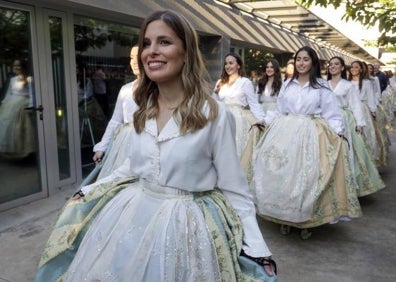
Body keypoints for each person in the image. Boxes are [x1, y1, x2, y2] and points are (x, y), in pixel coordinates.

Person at [36, 10, 277, 282]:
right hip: (132, 217)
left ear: (186, 53)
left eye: (164, 42)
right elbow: (133, 167)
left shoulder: (214, 114)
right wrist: (90, 189)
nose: (151, 51)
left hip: (186, 228)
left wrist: (258, 249)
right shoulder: (143, 108)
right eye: (147, 43)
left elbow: (236, 188)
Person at [252, 46, 361, 239]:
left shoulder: (321, 85)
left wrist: (339, 132)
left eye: (306, 59)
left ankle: (304, 221)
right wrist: (264, 121)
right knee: (282, 175)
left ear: (313, 63)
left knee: (306, 178)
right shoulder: (287, 83)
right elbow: (279, 109)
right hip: (284, 132)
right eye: (298, 59)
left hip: (309, 135)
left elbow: (331, 113)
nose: (301, 63)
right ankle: (283, 218)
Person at [327, 56, 385, 197]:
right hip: (327, 120)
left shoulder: (348, 85)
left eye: (336, 64)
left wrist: (359, 122)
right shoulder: (323, 84)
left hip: (345, 120)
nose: (332, 66)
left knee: (346, 152)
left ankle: (347, 185)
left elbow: (355, 105)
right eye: (331, 64)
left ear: (342, 68)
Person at [92, 45, 141, 179]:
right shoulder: (126, 89)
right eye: (131, 58)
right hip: (123, 143)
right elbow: (115, 121)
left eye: (138, 56)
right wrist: (102, 146)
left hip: (145, 143)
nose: (134, 61)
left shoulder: (159, 89)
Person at [212, 52, 266, 159]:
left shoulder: (245, 82)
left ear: (238, 65)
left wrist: (262, 120)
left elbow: (253, 103)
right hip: (221, 118)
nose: (228, 66)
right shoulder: (220, 82)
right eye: (226, 63)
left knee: (235, 150)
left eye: (231, 63)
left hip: (238, 121)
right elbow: (213, 102)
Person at [0, 59, 36, 159]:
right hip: (11, 103)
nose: (15, 68)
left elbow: (33, 94)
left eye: (18, 66)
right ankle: (15, 151)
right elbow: (9, 93)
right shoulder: (13, 79)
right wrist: (3, 104)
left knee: (25, 128)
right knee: (7, 125)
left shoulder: (29, 79)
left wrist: (31, 106)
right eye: (14, 66)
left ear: (23, 67)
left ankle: (30, 152)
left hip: (24, 103)